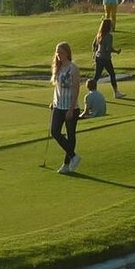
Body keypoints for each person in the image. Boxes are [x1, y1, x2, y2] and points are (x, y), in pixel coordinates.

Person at [49, 41, 81, 174]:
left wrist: (71, 109)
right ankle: (73, 156)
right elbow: (57, 88)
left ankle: (66, 164)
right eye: (57, 52)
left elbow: (76, 89)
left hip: (70, 107)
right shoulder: (58, 67)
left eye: (61, 52)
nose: (58, 55)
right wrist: (53, 102)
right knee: (55, 131)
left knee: (70, 134)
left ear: (67, 53)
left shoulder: (73, 68)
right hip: (58, 105)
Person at [91, 17, 125, 99]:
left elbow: (94, 45)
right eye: (111, 25)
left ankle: (91, 91)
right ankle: (116, 92)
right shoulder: (109, 36)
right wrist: (116, 51)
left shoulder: (99, 35)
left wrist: (95, 53)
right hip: (105, 58)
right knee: (112, 74)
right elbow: (108, 49)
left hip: (98, 57)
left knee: (97, 76)